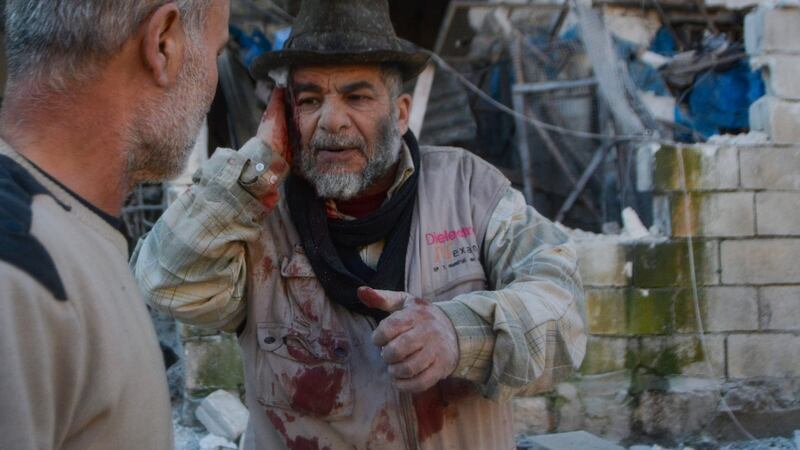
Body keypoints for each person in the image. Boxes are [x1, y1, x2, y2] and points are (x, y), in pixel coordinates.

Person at [132, 0, 586, 448]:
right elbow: (165, 281)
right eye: (310, 100)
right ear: (287, 116)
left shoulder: (471, 190)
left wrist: (458, 333)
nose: (331, 121)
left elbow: (563, 309)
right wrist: (260, 163)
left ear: (401, 112)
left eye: (356, 96)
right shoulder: (256, 220)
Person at [0, 1, 230, 449]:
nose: (213, 83)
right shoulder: (19, 273)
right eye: (216, 54)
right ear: (163, 43)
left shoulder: (62, 234)